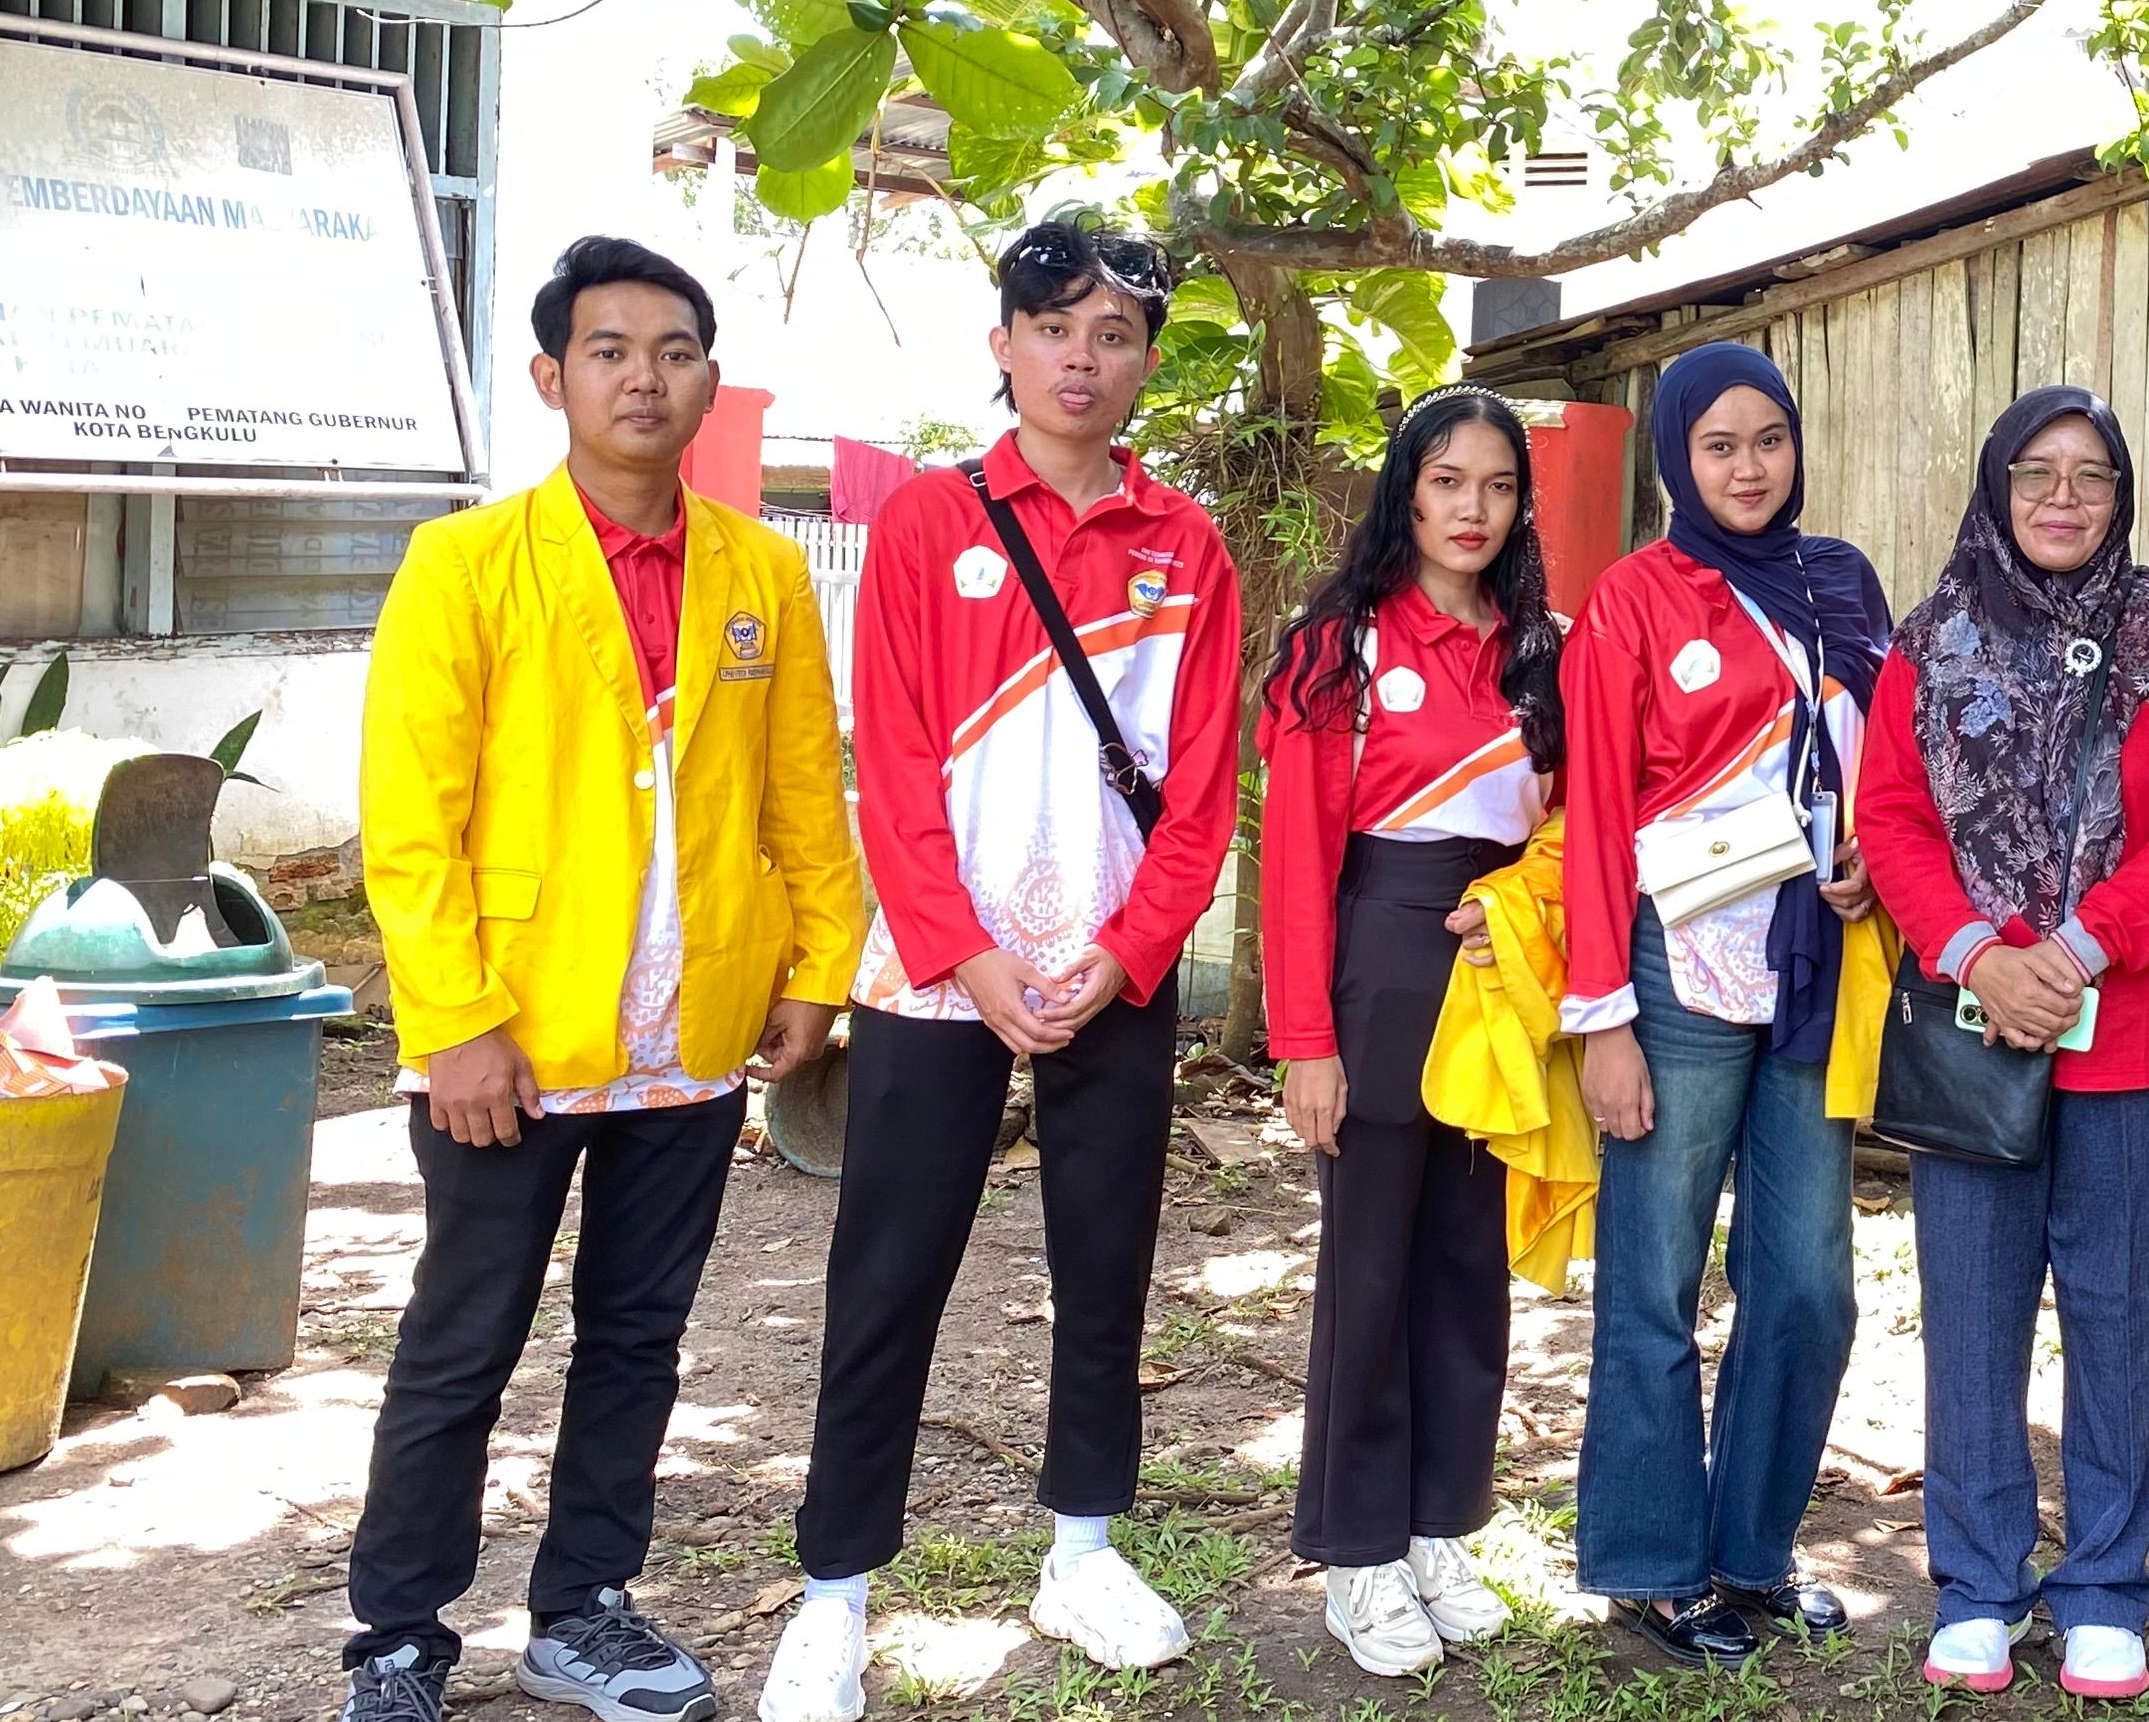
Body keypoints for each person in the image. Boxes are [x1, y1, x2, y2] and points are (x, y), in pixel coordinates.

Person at [341, 239, 866, 1722]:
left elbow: (799, 799)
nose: (645, 375)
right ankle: (398, 1636)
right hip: (510, 1042)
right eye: (610, 348)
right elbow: (411, 819)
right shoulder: (468, 564)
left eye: (676, 349)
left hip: (688, 1035)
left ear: (711, 378)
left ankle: (584, 1607)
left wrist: (816, 969)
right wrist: (455, 1026)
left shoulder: (762, 570)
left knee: (637, 1337)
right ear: (551, 377)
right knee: (463, 1341)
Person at [762, 221, 1242, 1722]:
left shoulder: (1190, 548)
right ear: (1004, 347)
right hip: (936, 974)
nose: (1082, 360)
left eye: (1113, 335)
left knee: (1106, 1268)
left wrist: (1126, 954)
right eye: (1055, 329)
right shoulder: (923, 523)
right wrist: (966, 958)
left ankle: (1083, 1549)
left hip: (1115, 968)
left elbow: (1205, 784)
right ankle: (835, 1594)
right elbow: (890, 763)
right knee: (887, 1275)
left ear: (1147, 360)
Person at [1854, 388, 2149, 1701]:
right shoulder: (1931, 640)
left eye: (2091, 475)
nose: (2064, 497)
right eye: (2038, 473)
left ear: (2121, 492)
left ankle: (2102, 1587)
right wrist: (1980, 952)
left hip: (2131, 1031)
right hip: (1975, 1024)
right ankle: (1977, 1585)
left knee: (2118, 1315)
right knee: (1970, 1318)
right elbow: (1896, 818)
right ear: (1998, 486)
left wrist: (2081, 948)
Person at [1562, 341, 1890, 1669]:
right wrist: (1602, 1019)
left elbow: (1885, 753)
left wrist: (1872, 850)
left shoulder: (1843, 580)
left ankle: (1752, 1553)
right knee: (1654, 1281)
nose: (1749, 466)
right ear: (1675, 461)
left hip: (1816, 968)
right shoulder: (1635, 599)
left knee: (1807, 1281)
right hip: (1678, 975)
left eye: (1769, 440)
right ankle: (1651, 1561)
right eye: (1720, 446)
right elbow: (1592, 810)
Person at [1257, 384, 1559, 1677]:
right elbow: (1297, 858)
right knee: (1368, 1278)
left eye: (1496, 485)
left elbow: (1587, 824)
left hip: (1500, 983)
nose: (1472, 509)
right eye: (1447, 482)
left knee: (1465, 1275)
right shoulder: (1339, 649)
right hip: (1378, 961)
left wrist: (1529, 912)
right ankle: (1360, 1552)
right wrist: (1303, 1041)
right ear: (1405, 492)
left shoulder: (1549, 651)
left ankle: (1442, 1525)